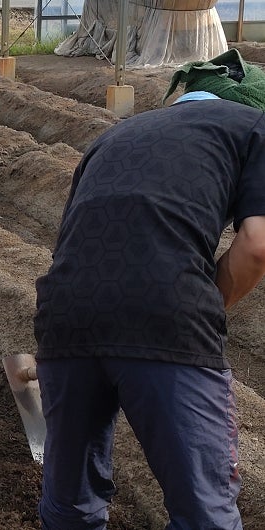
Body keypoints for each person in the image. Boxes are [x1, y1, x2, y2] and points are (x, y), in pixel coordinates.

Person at [33, 48, 265, 529]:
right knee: (203, 509)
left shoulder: (112, 135)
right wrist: (207, 304)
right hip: (168, 316)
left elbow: (72, 237)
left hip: (65, 315)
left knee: (69, 501)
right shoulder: (255, 126)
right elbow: (257, 246)